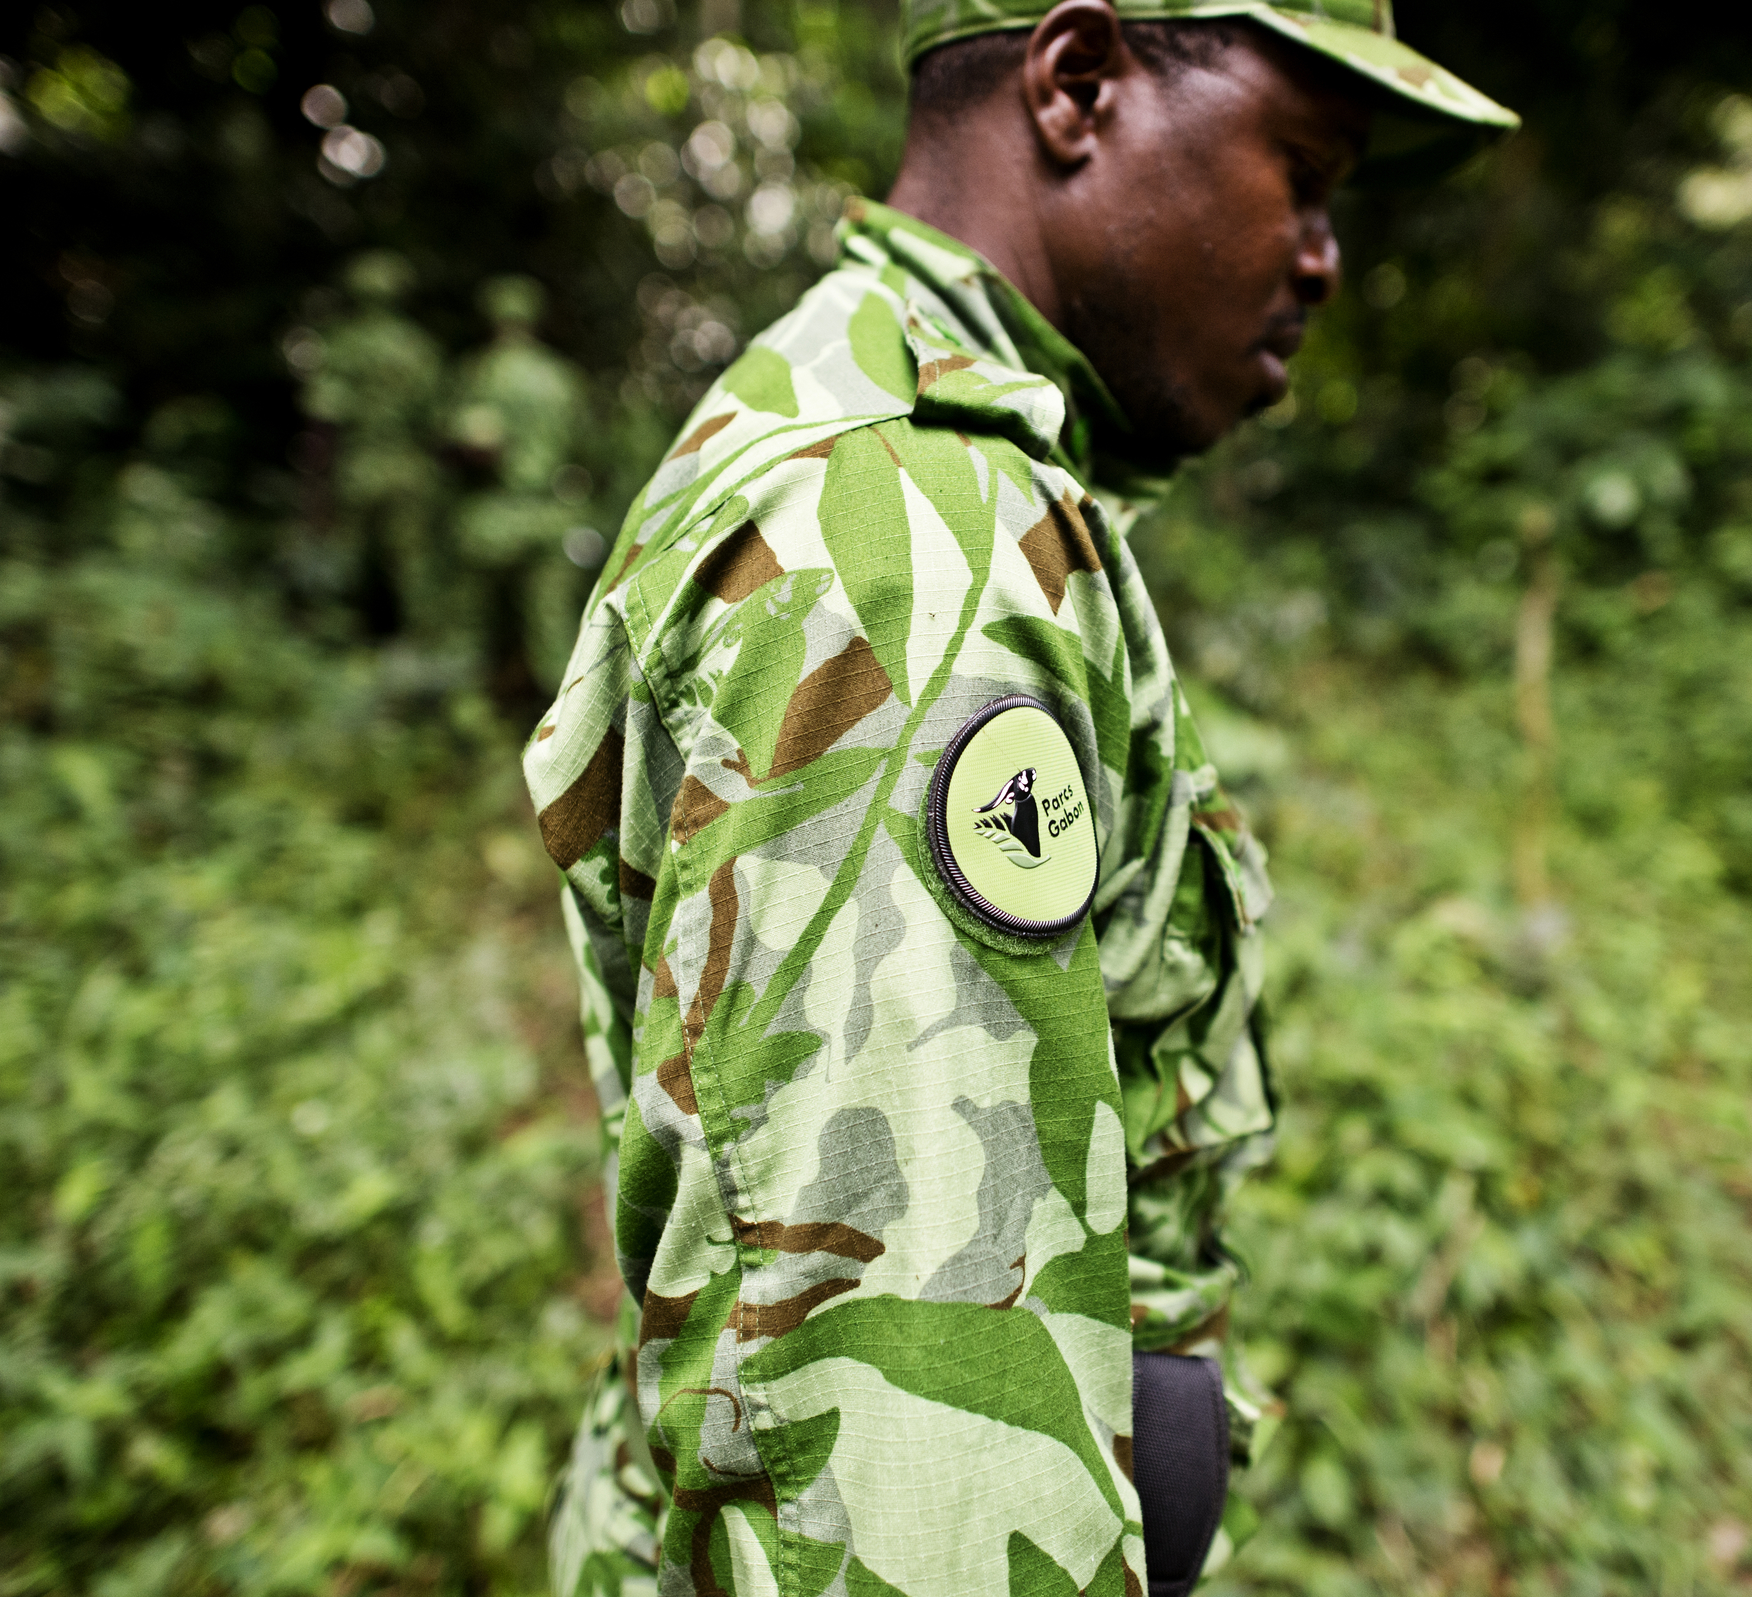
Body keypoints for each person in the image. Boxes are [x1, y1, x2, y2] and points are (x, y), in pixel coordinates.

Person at [524, 4, 1514, 1593]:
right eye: (1306, 173)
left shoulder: (906, 435)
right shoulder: (911, 544)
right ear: (1077, 88)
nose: (1324, 257)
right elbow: (909, 1456)